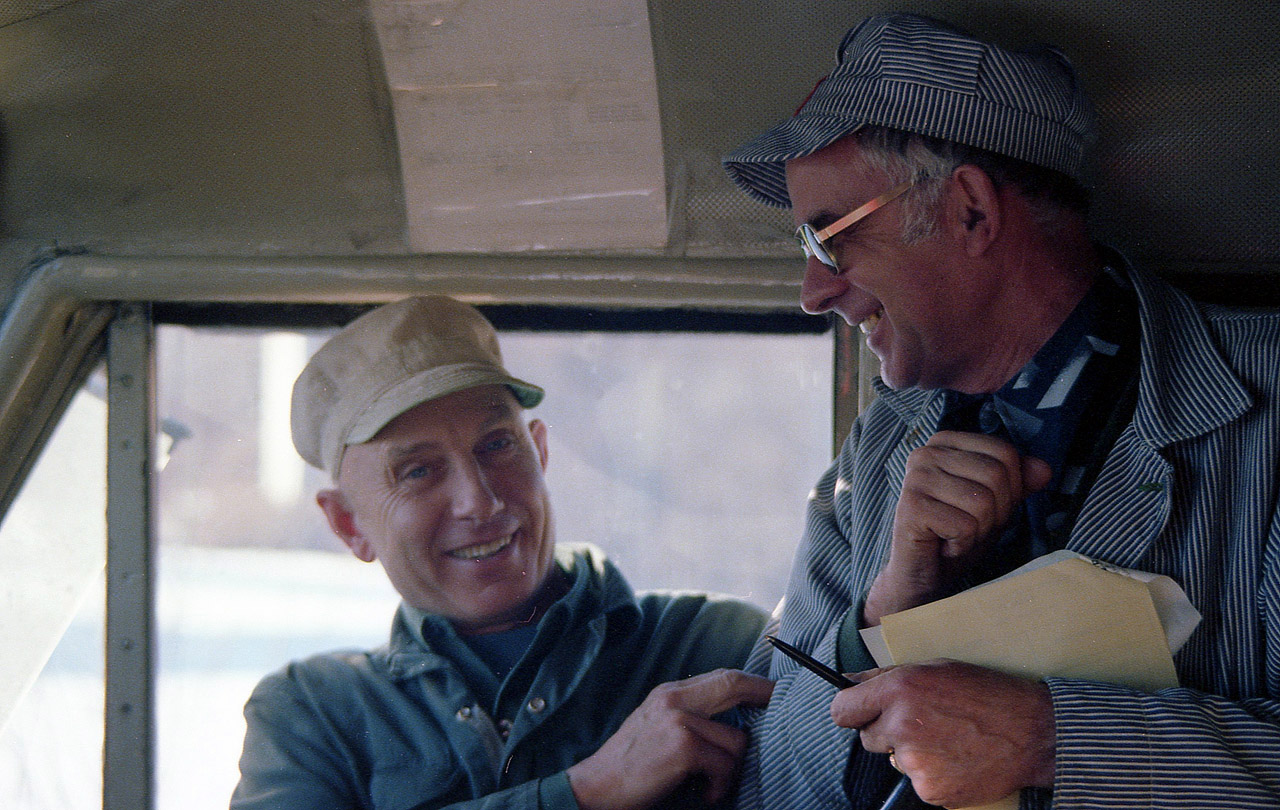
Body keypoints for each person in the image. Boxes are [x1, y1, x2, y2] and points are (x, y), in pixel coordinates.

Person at [721, 12, 1280, 810]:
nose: (814, 294)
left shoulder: (1266, 404)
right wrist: (882, 616)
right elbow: (772, 788)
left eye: (827, 243)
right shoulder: (877, 452)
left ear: (972, 212)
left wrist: (1054, 740)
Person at [229, 295, 773, 810]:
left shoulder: (718, 645)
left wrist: (863, 624)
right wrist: (588, 790)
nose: (479, 500)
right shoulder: (311, 714)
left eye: (496, 445)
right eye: (418, 470)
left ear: (538, 450)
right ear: (349, 523)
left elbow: (856, 710)